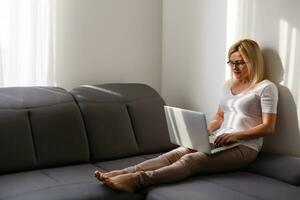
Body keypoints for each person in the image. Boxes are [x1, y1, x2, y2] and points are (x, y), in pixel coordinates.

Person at [94, 39, 278, 192]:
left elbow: (268, 127)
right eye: (232, 62)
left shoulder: (265, 88)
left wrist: (237, 135)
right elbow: (220, 117)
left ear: (253, 62)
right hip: (220, 140)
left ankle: (135, 181)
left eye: (240, 62)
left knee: (190, 160)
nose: (235, 67)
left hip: (245, 147)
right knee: (177, 153)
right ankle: (124, 172)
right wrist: (202, 133)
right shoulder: (227, 86)